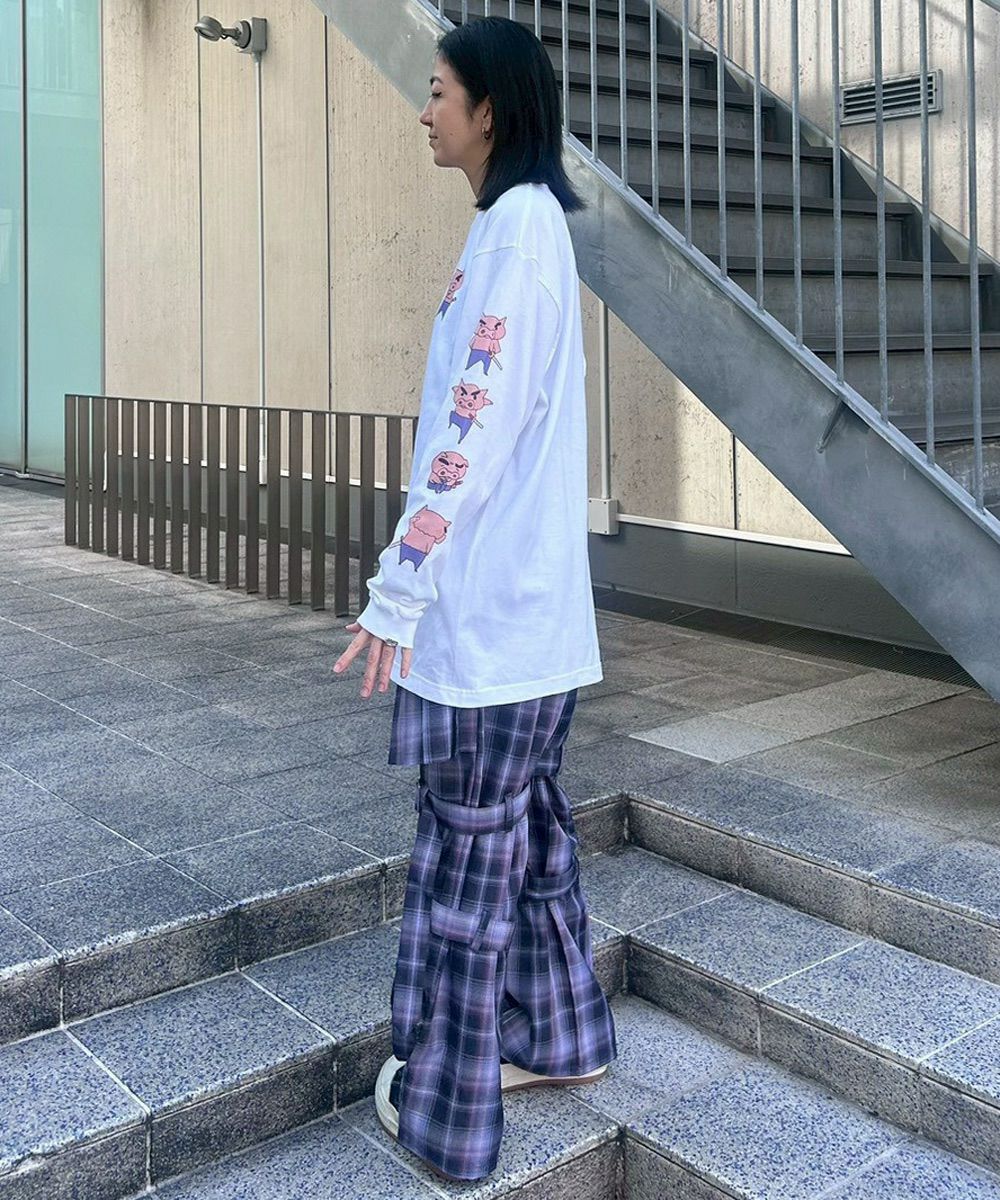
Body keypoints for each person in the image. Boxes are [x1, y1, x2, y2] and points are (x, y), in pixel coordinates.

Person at [332, 14, 617, 1184]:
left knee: (464, 878)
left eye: (439, 91)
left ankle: (447, 1122)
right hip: (528, 634)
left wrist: (397, 593)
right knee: (525, 842)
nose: (424, 109)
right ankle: (561, 1039)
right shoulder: (525, 229)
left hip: (493, 637)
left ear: (489, 110)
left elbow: (467, 440)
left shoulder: (513, 240)